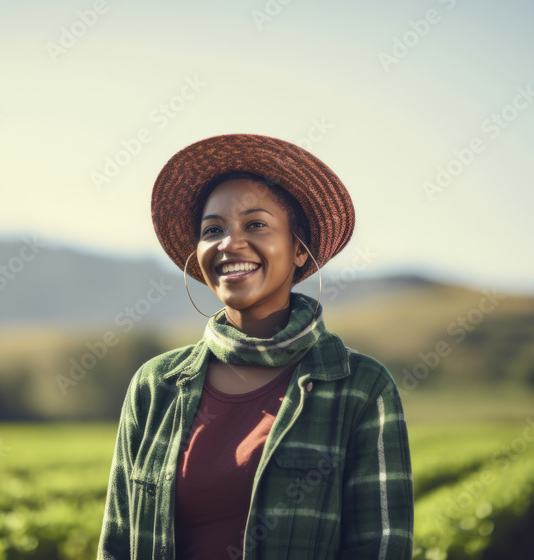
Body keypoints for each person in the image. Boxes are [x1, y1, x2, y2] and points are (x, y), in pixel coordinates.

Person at [97, 133, 413, 559]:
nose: (230, 243)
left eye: (256, 224)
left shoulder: (360, 387)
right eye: (213, 230)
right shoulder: (156, 386)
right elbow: (118, 546)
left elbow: (381, 549)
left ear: (299, 249)